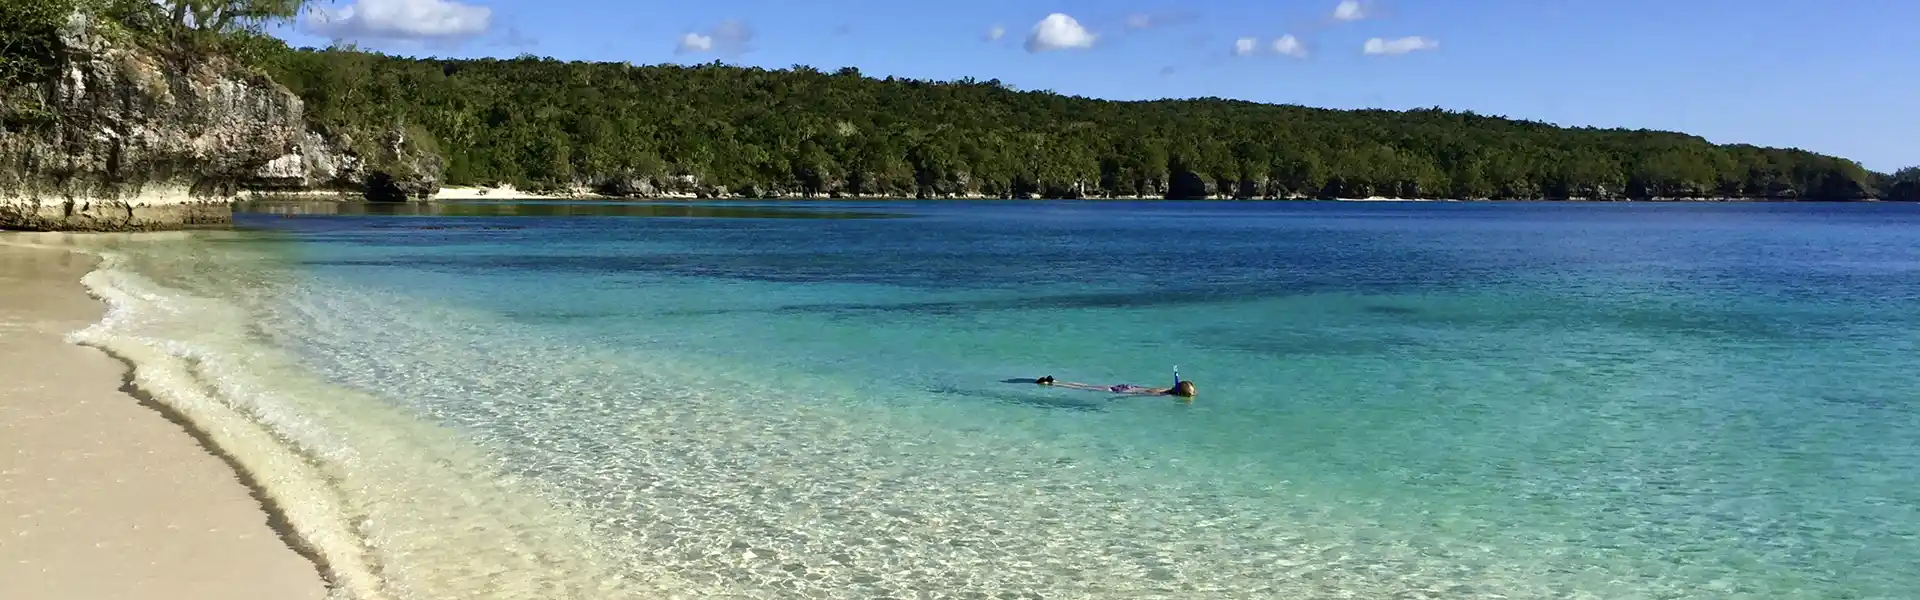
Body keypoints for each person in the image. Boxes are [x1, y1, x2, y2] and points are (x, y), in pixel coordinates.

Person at [1036, 373, 1197, 398]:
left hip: (1127, 386)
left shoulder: (1166, 389)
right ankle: (1053, 384)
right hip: (1124, 391)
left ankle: (1055, 381)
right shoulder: (1164, 395)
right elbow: (1141, 396)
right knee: (1086, 388)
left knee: (1087, 386)